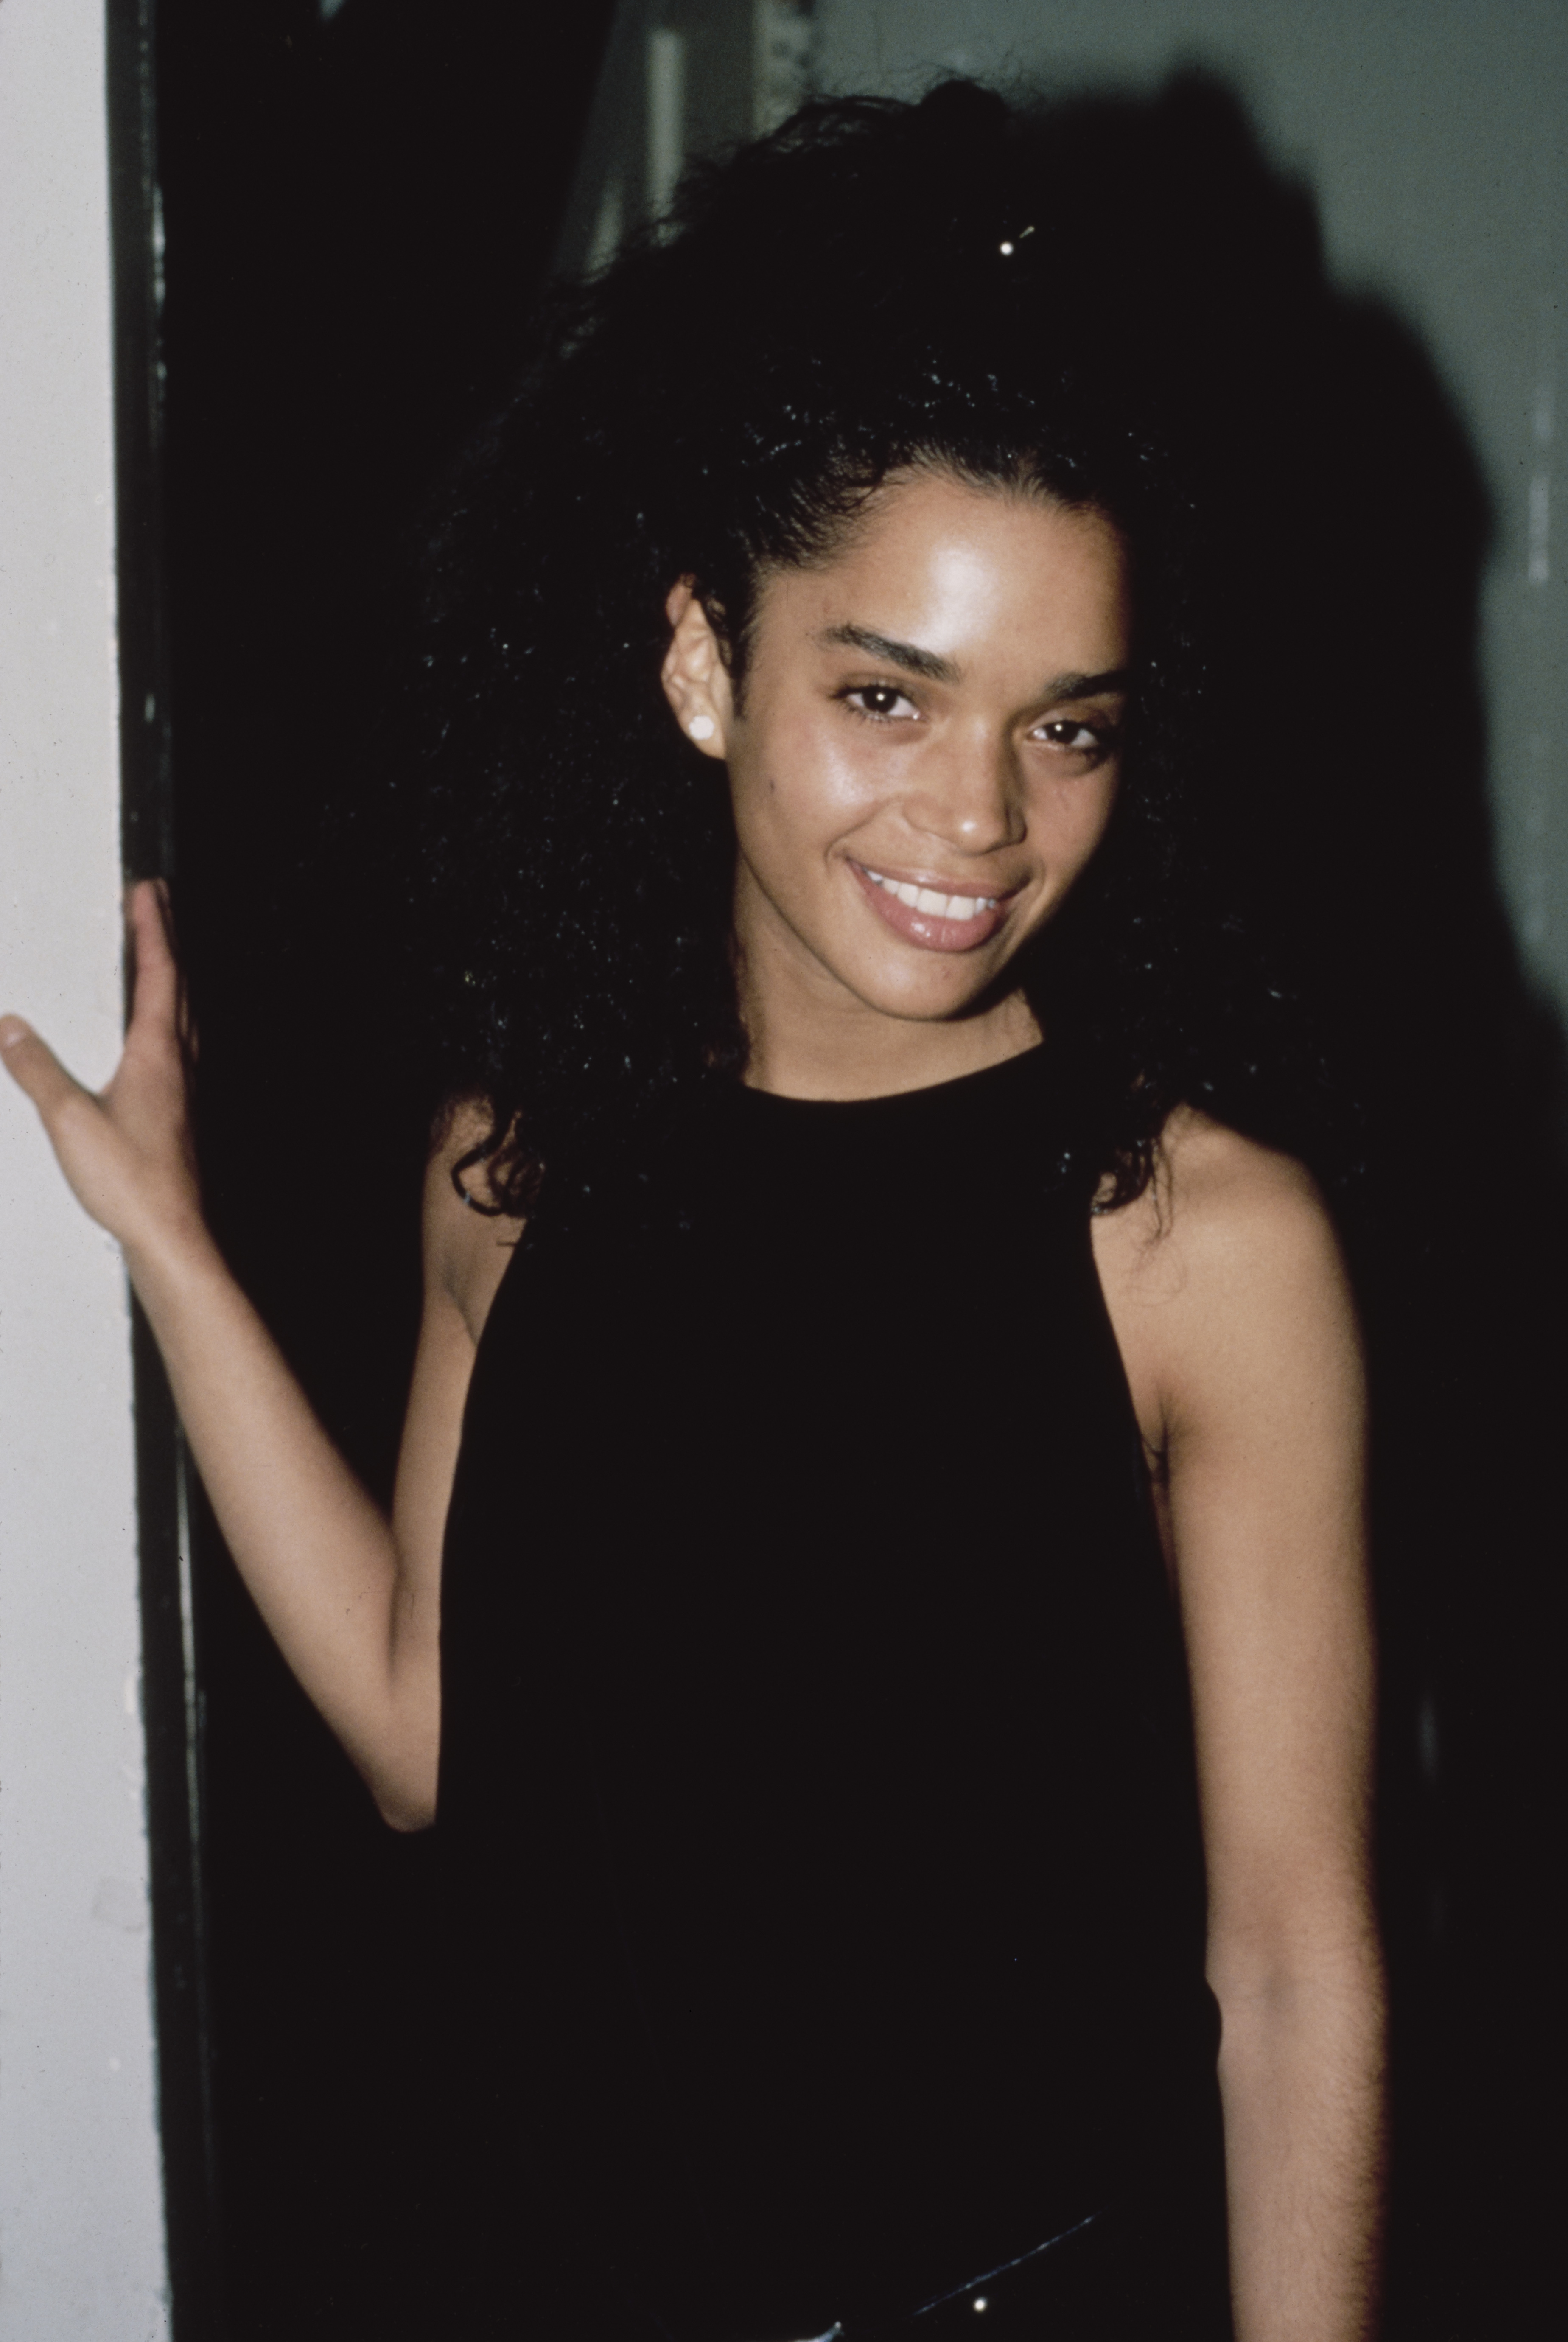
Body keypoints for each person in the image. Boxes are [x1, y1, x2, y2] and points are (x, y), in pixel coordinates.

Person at [1, 82, 1383, 2342]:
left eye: (1072, 728)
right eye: (884, 693)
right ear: (700, 665)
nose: (978, 816)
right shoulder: (517, 1156)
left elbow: (1298, 1969)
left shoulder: (1193, 1235)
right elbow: (418, 1736)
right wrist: (169, 1241)